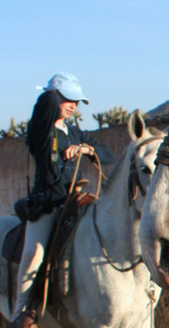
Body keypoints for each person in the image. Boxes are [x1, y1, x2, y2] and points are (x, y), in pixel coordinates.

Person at [10, 73, 113, 328]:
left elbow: (107, 154)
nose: (74, 105)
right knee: (34, 254)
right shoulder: (41, 131)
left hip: (73, 203)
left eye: (77, 101)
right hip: (46, 205)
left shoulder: (75, 133)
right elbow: (45, 105)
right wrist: (53, 94)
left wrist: (87, 149)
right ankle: (21, 312)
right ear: (54, 98)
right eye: (68, 99)